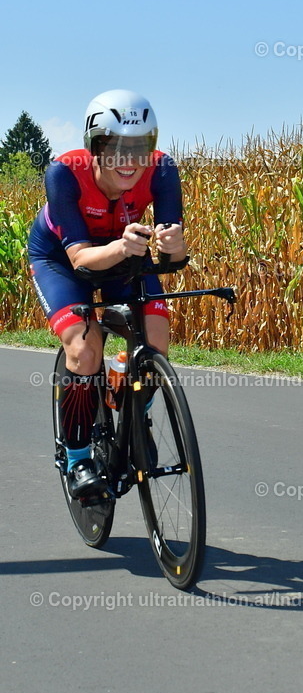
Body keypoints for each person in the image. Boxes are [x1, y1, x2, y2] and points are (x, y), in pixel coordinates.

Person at [28, 89, 188, 500]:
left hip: (123, 253)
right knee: (84, 350)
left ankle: (134, 417)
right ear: (94, 147)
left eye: (139, 149)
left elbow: (175, 255)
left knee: (156, 338)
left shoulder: (163, 169)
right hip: (61, 259)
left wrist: (174, 243)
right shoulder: (63, 174)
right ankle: (78, 455)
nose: (129, 163)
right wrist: (121, 246)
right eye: (116, 149)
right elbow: (80, 259)